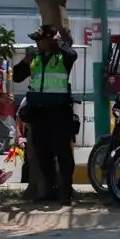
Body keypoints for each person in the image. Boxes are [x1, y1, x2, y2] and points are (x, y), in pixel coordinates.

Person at [12, 24, 78, 204]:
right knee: (43, 155)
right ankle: (49, 191)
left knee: (63, 155)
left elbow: (73, 54)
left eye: (39, 40)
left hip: (59, 114)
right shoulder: (35, 58)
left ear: (50, 41)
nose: (36, 44)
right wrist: (25, 61)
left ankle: (66, 194)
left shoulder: (63, 57)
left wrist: (59, 42)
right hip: (39, 114)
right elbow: (17, 77)